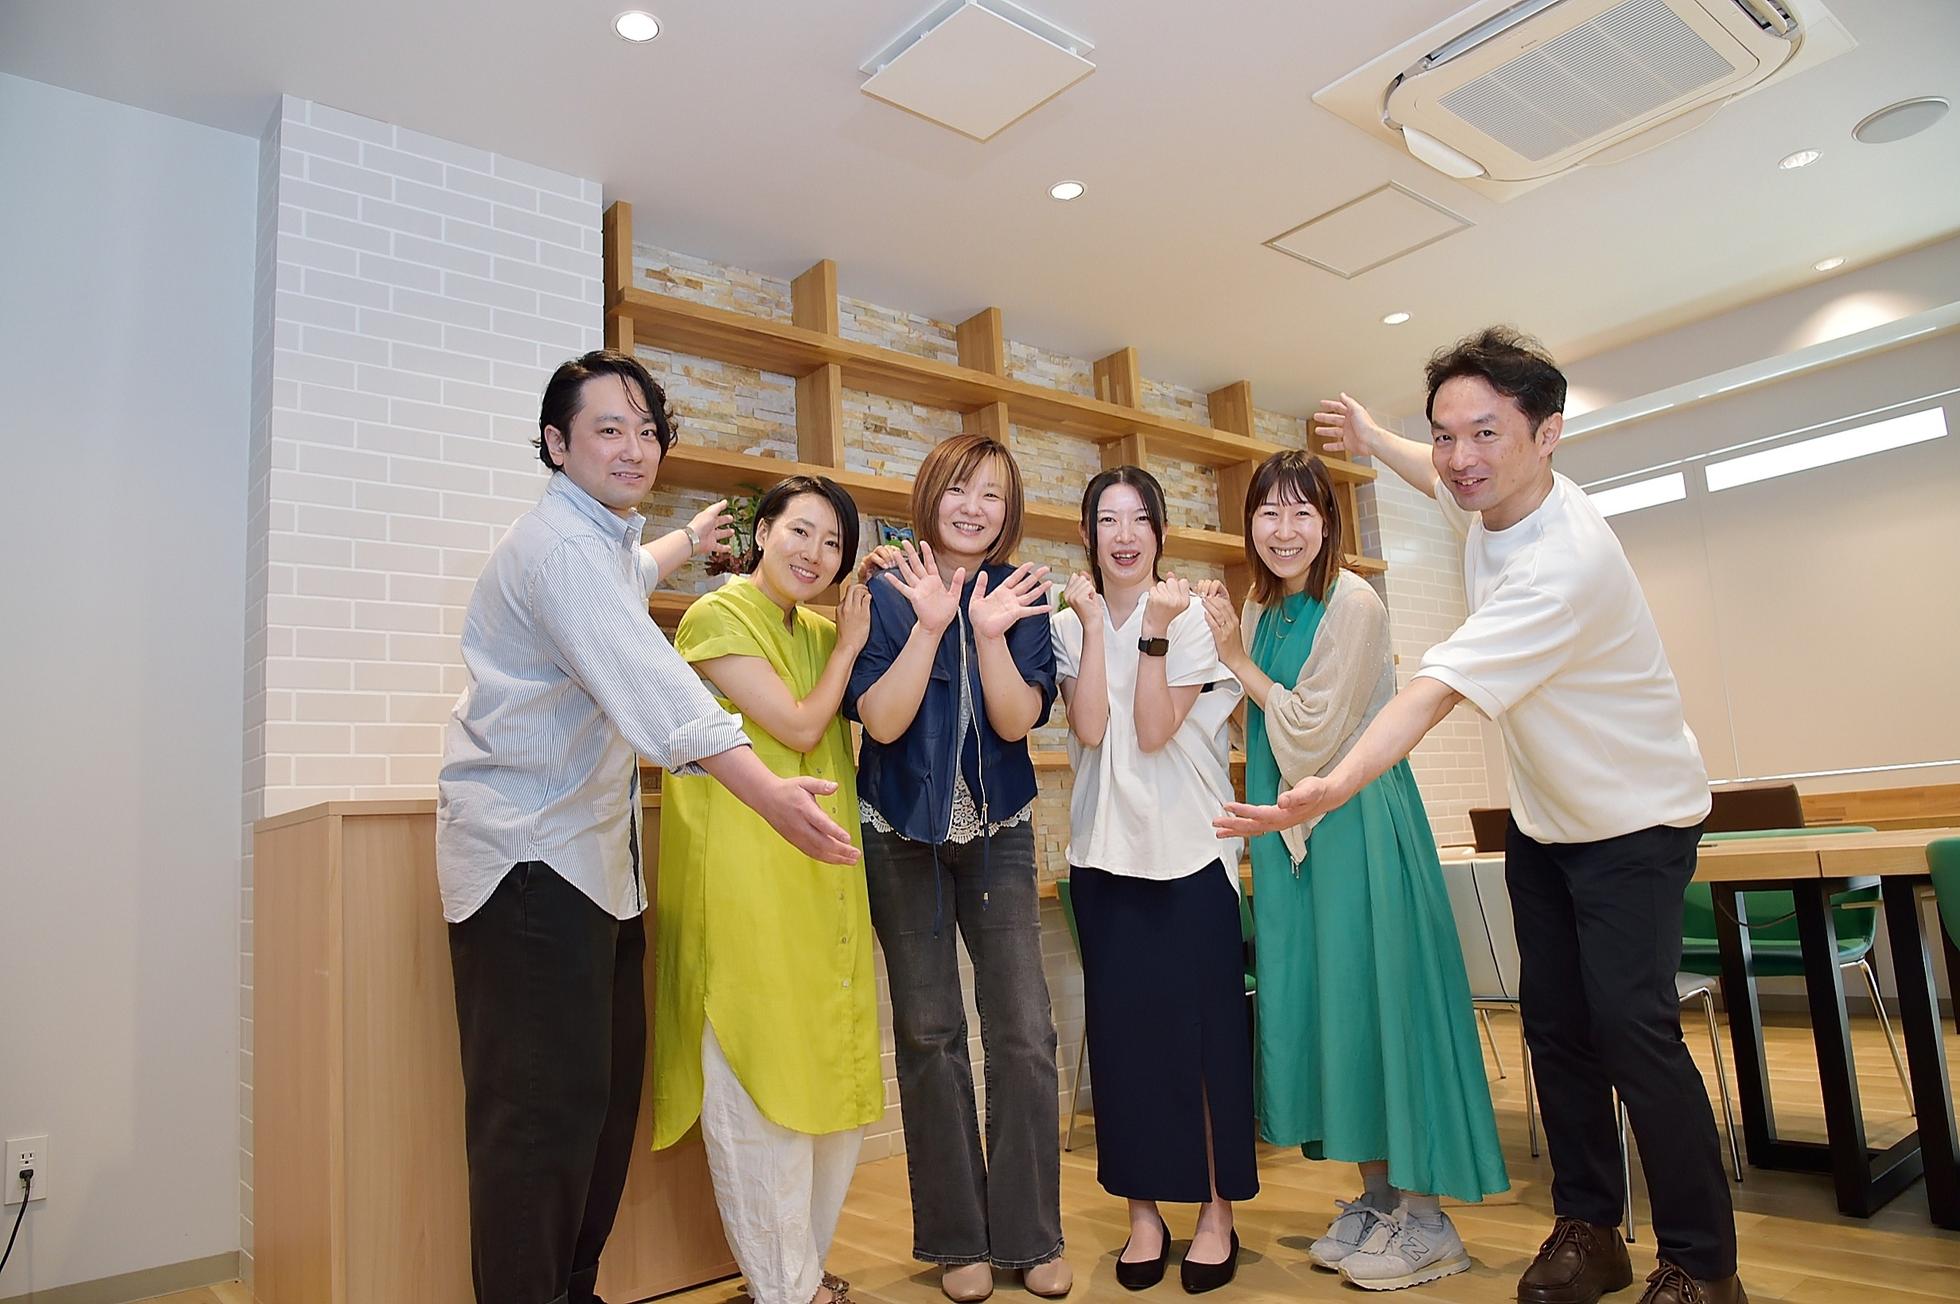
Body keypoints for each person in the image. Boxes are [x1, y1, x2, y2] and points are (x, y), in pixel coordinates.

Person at [1216, 328, 1741, 1304]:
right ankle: (1589, 1231)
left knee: (1633, 1032)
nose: (1460, 457)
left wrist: (1333, 784)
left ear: (1548, 434)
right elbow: (1438, 475)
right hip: (1545, 823)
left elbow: (1432, 691)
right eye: (1445, 433)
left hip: (1635, 820)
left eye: (1485, 434)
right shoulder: (1488, 505)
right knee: (1557, 1030)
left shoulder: (1563, 561)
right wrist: (1373, 438)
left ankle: (1703, 1265)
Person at [437, 350, 859, 1304]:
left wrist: (682, 540)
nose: (635, 448)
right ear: (557, 444)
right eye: (609, 430)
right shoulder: (558, 552)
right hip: (527, 865)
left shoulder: (597, 545)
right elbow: (660, 694)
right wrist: (770, 794)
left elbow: (626, 572)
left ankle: (574, 1290)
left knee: (593, 1106)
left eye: (647, 431)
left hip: (590, 869)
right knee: (538, 1125)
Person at [1195, 449, 1507, 1292]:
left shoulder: (1353, 601)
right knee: (1334, 1011)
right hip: (1295, 839)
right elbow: (1261, 729)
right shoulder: (1265, 607)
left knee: (1384, 1003)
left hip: (1360, 826)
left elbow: (1310, 725)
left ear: (1327, 523)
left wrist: (1236, 660)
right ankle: (1379, 1200)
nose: (1284, 529)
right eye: (1268, 512)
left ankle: (1428, 1220)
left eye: (1303, 511)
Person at [842, 432, 1071, 1302]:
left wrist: (985, 631)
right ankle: (955, 1239)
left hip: (998, 826)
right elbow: (883, 723)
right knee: (929, 1032)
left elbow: (1014, 723)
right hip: (899, 828)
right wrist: (931, 625)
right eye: (960, 489)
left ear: (1009, 512)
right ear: (931, 493)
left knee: (1023, 1029)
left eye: (993, 495)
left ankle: (1031, 1235)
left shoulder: (1023, 595)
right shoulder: (884, 588)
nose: (974, 508)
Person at [654, 475, 883, 1304]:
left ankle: (797, 1278)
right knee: (754, 1090)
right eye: (800, 531)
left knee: (829, 1086)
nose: (815, 554)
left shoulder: (819, 628)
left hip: (819, 882)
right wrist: (851, 647)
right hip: (744, 881)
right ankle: (783, 1286)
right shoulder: (716, 616)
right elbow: (796, 724)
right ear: (762, 532)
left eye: (834, 543)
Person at [1052, 465, 1254, 1294]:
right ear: (1088, 535)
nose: (1124, 535)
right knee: (1125, 1045)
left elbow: (1154, 727)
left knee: (1204, 1045)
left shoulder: (1192, 618)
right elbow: (1092, 727)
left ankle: (1215, 1211)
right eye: (1108, 520)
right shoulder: (1069, 624)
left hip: (1190, 856)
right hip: (1104, 860)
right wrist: (1092, 626)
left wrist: (1156, 629)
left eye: (1139, 519)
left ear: (1160, 533)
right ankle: (1142, 1214)